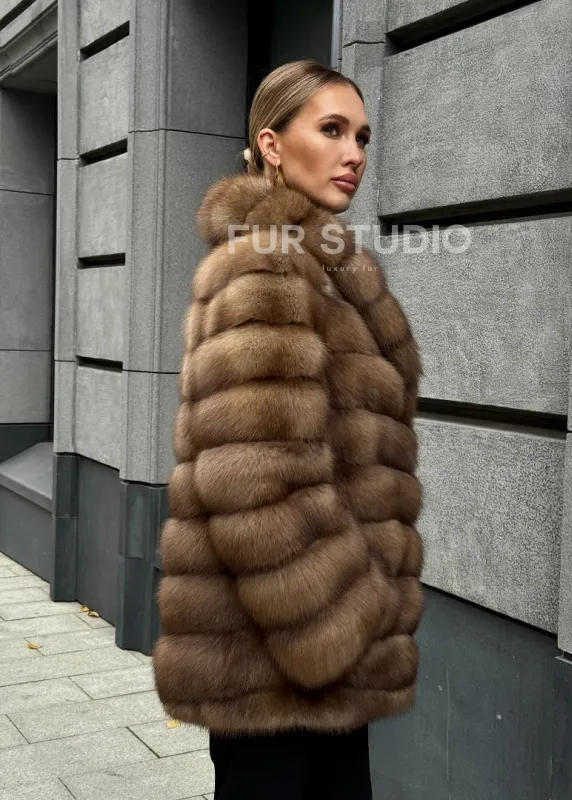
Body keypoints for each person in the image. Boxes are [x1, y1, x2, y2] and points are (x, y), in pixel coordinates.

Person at [151, 58, 425, 800]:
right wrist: (342, 617)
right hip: (277, 660)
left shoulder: (323, 266)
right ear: (272, 145)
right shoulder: (266, 268)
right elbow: (255, 481)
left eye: (362, 136)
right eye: (331, 129)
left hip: (320, 658)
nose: (353, 153)